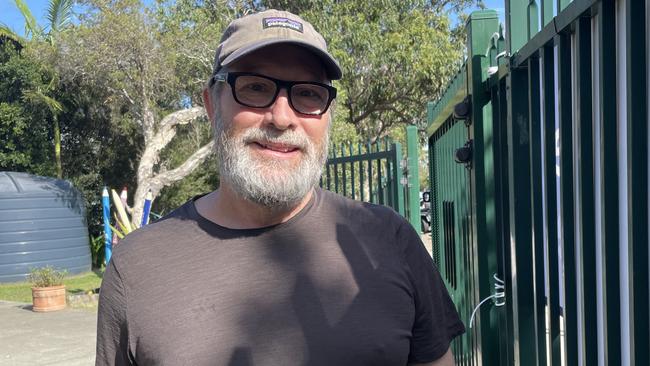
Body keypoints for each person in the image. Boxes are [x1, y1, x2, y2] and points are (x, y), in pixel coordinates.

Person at [96, 9, 464, 366]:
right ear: (212, 104)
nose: (282, 118)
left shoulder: (390, 239)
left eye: (307, 94)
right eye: (255, 87)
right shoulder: (137, 266)